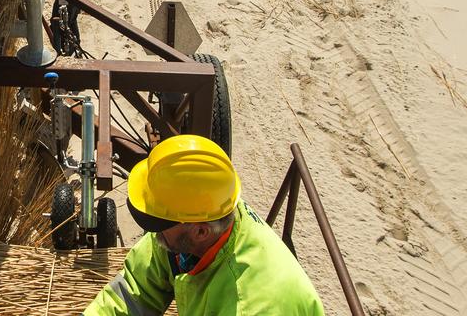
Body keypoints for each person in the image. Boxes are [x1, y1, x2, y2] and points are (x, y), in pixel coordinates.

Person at [84, 135, 325, 316]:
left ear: (200, 231)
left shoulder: (248, 305)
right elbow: (134, 292)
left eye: (159, 222)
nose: (153, 233)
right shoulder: (193, 218)